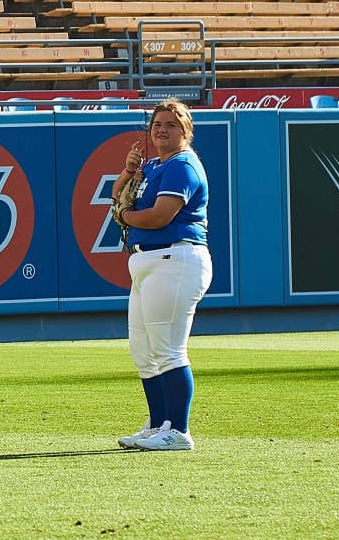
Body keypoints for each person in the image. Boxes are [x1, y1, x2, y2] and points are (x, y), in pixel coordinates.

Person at [111, 99, 213, 453]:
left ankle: (179, 430)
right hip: (149, 262)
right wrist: (127, 173)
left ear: (185, 130)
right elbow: (119, 196)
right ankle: (158, 424)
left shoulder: (183, 165)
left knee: (169, 350)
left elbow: (158, 217)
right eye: (157, 124)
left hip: (176, 257)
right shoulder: (154, 164)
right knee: (143, 351)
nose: (162, 130)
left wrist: (124, 216)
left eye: (171, 124)